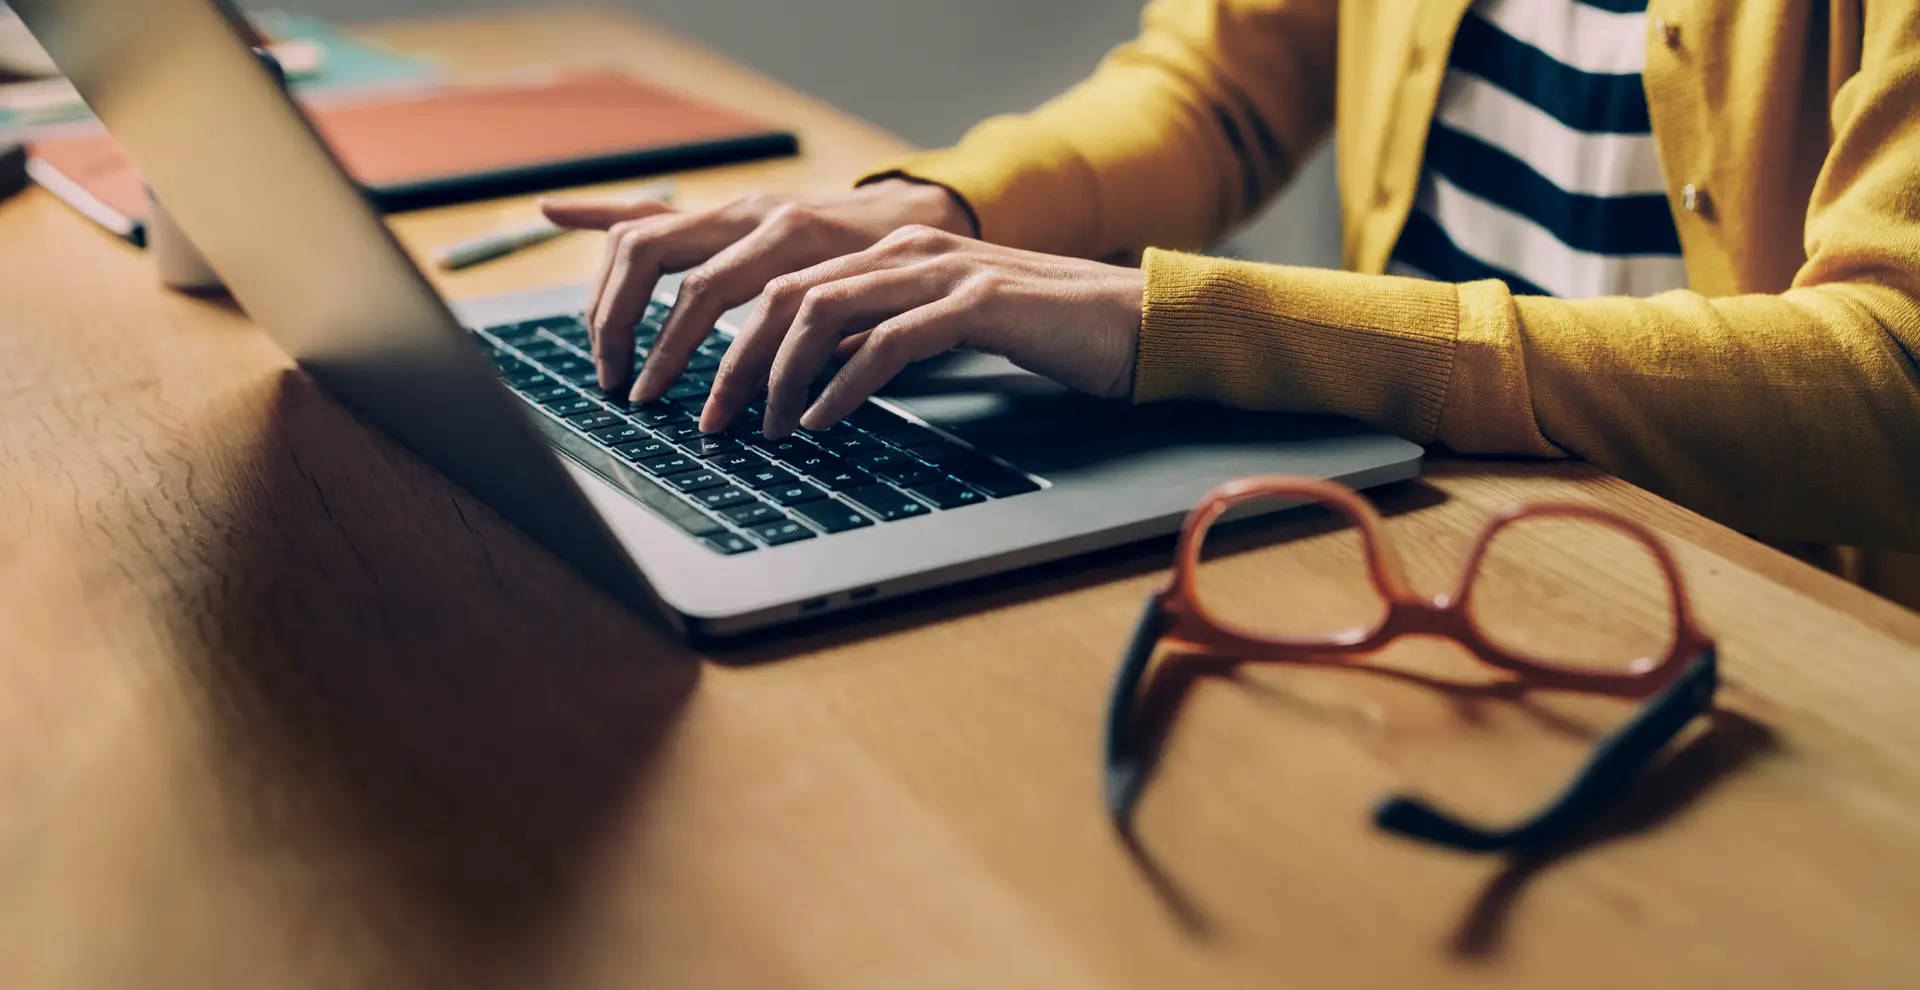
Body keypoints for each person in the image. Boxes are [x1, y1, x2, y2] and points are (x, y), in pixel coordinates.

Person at [540, 0, 1920, 606]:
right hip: (1420, 518)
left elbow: (1889, 373)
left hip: (1768, 612)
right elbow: (1210, 88)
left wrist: (1181, 327)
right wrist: (945, 210)